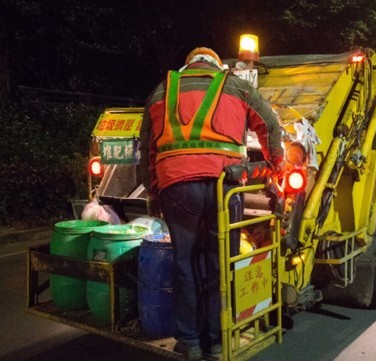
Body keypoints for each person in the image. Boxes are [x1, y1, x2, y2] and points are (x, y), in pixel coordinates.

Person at [139, 47, 283, 361]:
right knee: (221, 263)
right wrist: (274, 169)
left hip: (176, 186)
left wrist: (153, 191)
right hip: (225, 185)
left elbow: (146, 149)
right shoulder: (237, 85)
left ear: (188, 64)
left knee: (185, 265)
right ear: (216, 65)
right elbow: (270, 126)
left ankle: (190, 342)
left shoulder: (162, 90)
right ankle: (218, 342)